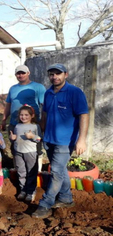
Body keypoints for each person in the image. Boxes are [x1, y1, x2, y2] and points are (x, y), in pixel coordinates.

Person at [32, 63, 89, 218]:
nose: (54, 77)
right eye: (51, 74)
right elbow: (45, 114)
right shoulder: (48, 93)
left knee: (56, 172)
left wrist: (82, 139)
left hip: (65, 141)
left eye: (58, 74)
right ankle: (65, 198)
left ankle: (45, 204)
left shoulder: (75, 92)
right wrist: (41, 133)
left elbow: (84, 115)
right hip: (49, 139)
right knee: (61, 170)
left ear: (66, 74)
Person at [10, 105, 42, 202]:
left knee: (31, 172)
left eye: (26, 115)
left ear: (32, 116)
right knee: (21, 171)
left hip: (30, 152)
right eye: (21, 115)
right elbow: (14, 139)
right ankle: (23, 190)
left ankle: (31, 191)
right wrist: (13, 139)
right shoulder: (17, 126)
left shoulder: (35, 126)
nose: (23, 117)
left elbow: (39, 139)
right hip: (18, 152)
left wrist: (32, 136)